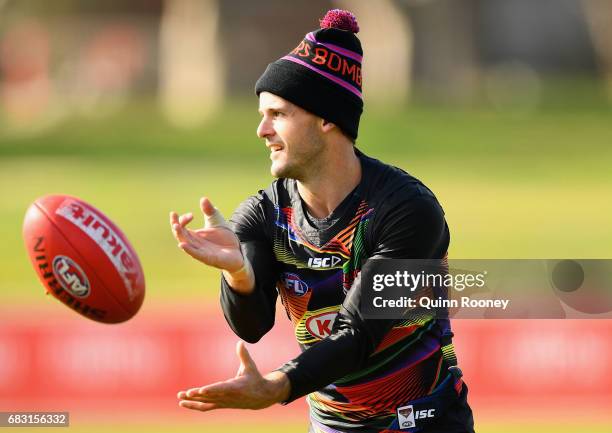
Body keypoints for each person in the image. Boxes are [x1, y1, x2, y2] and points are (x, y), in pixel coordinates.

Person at [170, 9, 474, 433]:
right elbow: (253, 327)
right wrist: (239, 274)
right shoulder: (262, 215)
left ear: (327, 118)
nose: (262, 130)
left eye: (278, 114)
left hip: (422, 423)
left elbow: (360, 335)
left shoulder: (406, 209)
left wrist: (277, 386)